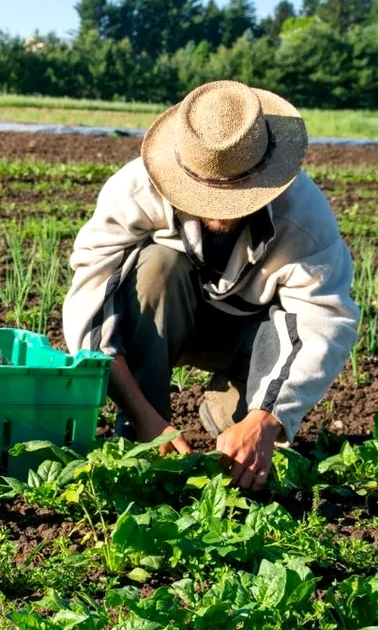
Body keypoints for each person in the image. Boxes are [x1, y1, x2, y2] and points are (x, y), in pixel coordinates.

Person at [62, 80, 360, 491]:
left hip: (246, 337)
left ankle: (234, 405)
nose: (219, 210)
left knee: (250, 454)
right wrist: (147, 418)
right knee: (156, 267)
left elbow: (322, 321)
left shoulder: (304, 218)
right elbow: (92, 305)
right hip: (165, 321)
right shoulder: (134, 190)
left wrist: (266, 420)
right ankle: (140, 435)